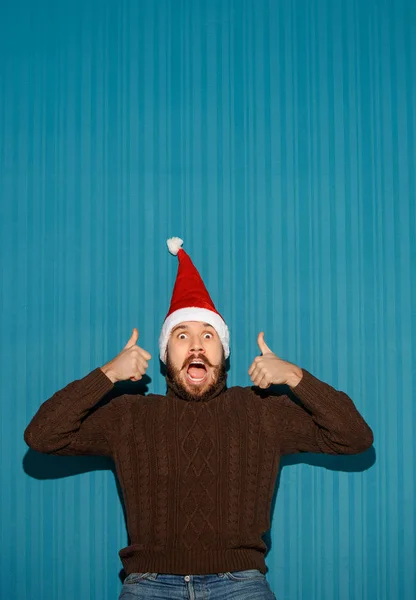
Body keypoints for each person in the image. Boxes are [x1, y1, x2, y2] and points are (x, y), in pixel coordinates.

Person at [24, 237, 374, 600]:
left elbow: (354, 437)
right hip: (149, 584)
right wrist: (107, 374)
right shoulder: (129, 415)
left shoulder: (260, 411)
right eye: (181, 335)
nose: (196, 346)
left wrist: (295, 376)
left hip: (240, 583)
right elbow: (43, 436)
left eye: (208, 335)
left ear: (223, 354)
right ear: (165, 355)